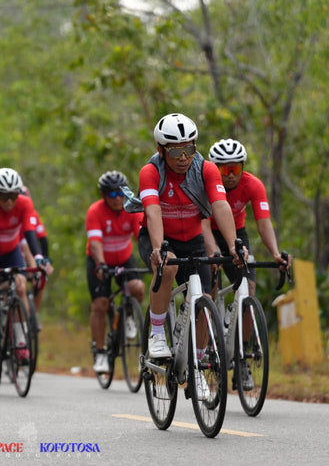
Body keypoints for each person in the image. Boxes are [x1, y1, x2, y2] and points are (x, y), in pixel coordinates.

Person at [137, 113, 243, 399]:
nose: (184, 157)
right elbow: (153, 210)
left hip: (193, 238)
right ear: (161, 150)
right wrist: (159, 248)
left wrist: (233, 244)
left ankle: (197, 367)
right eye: (175, 151)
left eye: (189, 149)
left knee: (206, 295)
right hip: (157, 236)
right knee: (168, 267)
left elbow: (220, 206)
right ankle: (157, 333)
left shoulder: (207, 169)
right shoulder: (151, 172)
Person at [0, 168, 47, 369]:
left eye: (13, 196)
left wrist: (38, 257)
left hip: (11, 250)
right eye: (4, 197)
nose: (9, 202)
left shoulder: (25, 203)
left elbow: (30, 233)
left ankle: (21, 342)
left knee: (21, 286)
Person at [207, 139, 287, 294]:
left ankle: (244, 313)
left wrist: (275, 253)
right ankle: (210, 313)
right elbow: (201, 224)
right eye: (225, 170)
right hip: (209, 232)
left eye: (235, 169)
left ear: (243, 167)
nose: (231, 175)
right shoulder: (206, 185)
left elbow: (264, 223)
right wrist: (213, 248)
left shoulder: (253, 185)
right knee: (212, 281)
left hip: (236, 232)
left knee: (249, 290)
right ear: (215, 169)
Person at [85, 171, 145, 373]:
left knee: (137, 287)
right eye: (112, 195)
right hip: (100, 260)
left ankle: (128, 315)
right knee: (100, 304)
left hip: (124, 259)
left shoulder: (133, 208)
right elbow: (95, 244)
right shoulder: (95, 211)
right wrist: (101, 264)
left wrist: (154, 258)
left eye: (120, 193)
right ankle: (100, 352)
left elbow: (142, 239)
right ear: (103, 196)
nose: (118, 198)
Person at [18, 184, 54, 312]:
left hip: (30, 252)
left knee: (39, 280)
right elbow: (24, 245)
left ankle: (34, 314)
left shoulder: (33, 214)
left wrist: (46, 259)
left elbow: (43, 239)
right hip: (18, 251)